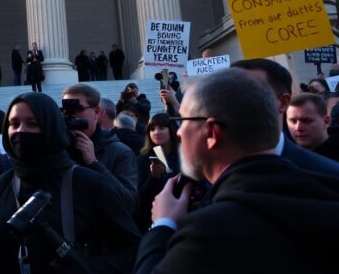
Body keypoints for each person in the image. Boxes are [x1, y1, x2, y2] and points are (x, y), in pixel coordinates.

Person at [134, 68, 339, 273]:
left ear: (212, 132)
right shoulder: (328, 190)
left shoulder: (207, 233)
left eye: (181, 121)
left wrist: (162, 225)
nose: (178, 133)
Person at [0, 92, 141, 273]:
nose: (20, 131)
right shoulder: (3, 184)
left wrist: (86, 268)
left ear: (51, 128)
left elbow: (132, 249)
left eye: (32, 123)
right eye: (14, 124)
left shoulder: (88, 183)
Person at [232, 58, 339, 175]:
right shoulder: (219, 162)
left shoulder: (329, 173)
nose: (299, 127)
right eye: (229, 93)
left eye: (252, 92)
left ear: (283, 102)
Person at [62, 83, 139, 213]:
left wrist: (94, 164)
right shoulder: (58, 148)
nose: (72, 115)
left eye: (78, 109)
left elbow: (129, 204)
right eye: (66, 110)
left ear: (97, 112)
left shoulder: (119, 152)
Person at [135, 113, 180, 232]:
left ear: (171, 129)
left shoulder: (183, 156)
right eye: (152, 129)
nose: (156, 132)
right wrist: (153, 177)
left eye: (161, 128)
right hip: (153, 221)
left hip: (181, 216)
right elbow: (139, 197)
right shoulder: (143, 160)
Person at [286, 93, 339, 162]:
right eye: (293, 121)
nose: (298, 128)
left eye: (307, 121)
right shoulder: (284, 156)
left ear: (326, 121)